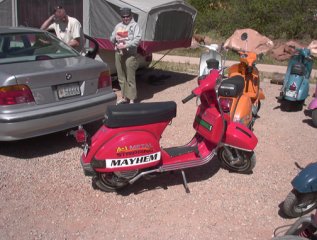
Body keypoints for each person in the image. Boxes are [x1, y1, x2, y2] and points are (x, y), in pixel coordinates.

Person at [110, 7, 142, 104]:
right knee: (120, 75)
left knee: (130, 76)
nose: (125, 18)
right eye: (123, 17)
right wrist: (114, 39)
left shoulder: (135, 26)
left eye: (127, 16)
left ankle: (131, 98)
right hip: (119, 53)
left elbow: (137, 40)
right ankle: (124, 97)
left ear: (131, 16)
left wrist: (126, 45)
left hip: (130, 53)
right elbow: (111, 38)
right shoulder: (118, 26)